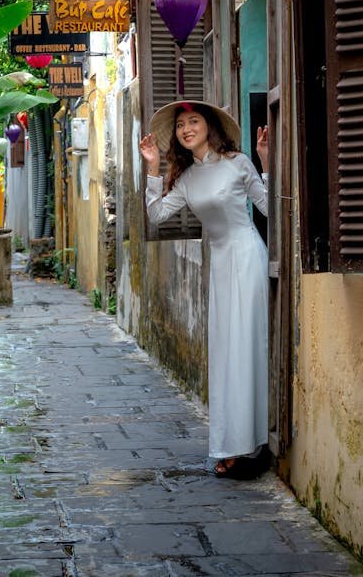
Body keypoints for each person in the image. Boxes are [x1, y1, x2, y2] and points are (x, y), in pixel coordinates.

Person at [139, 100, 269, 478]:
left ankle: (253, 446)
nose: (186, 128)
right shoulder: (187, 178)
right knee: (226, 354)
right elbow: (158, 215)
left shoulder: (238, 163)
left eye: (193, 121)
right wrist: (151, 168)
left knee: (248, 351)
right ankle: (232, 443)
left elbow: (268, 208)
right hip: (221, 267)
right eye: (181, 125)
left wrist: (265, 160)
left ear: (210, 127)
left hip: (246, 259)